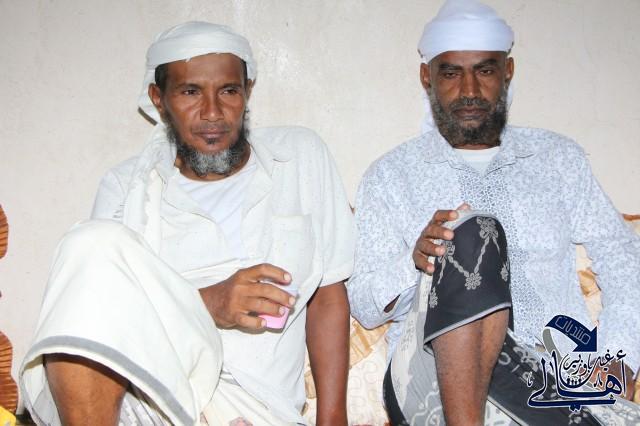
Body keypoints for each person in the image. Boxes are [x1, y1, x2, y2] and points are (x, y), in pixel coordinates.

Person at [20, 22, 354, 426]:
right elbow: (101, 321)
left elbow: (327, 295)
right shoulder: (127, 188)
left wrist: (333, 420)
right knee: (88, 243)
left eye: (228, 91)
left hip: (260, 410)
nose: (212, 113)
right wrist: (208, 304)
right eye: (190, 92)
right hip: (155, 400)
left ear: (247, 91)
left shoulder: (300, 157)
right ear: (159, 99)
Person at [347, 0, 640, 424]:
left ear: (507, 71)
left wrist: (619, 361)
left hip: (550, 376)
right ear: (427, 77)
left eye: (484, 70)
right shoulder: (391, 176)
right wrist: (415, 262)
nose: (469, 90)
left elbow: (623, 256)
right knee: (470, 232)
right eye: (451, 73)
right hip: (433, 378)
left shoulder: (557, 159)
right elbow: (364, 304)